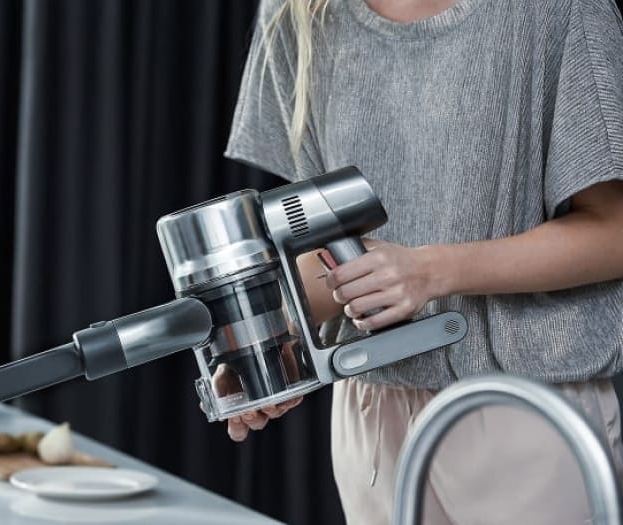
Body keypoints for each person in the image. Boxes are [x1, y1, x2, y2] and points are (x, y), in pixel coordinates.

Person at [222, 0, 623, 523]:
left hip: (527, 410)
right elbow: (324, 249)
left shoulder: (558, 11)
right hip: (370, 415)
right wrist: (274, 337)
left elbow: (613, 231)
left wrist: (432, 272)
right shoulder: (298, 15)